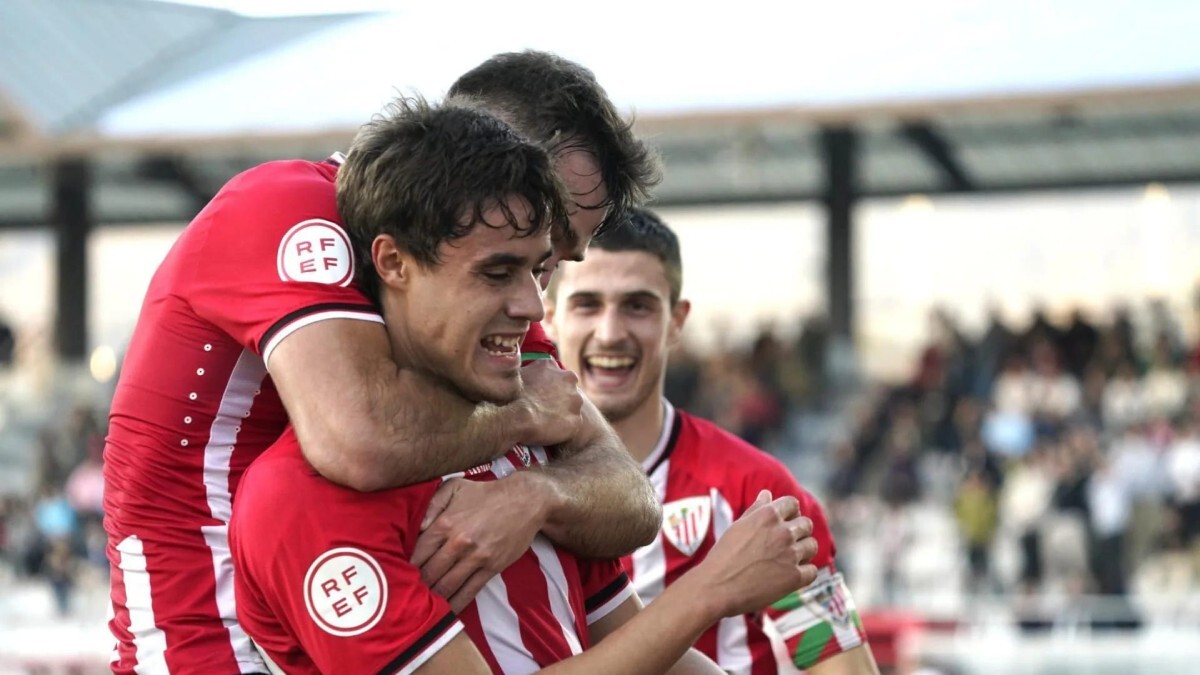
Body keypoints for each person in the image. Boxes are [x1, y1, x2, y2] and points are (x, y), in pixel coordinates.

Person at [103, 49, 661, 673]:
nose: (535, 294)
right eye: (532, 245)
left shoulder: (472, 283)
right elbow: (360, 440)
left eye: (550, 260)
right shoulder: (286, 207)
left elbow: (629, 496)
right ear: (480, 149)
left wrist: (538, 492)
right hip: (204, 638)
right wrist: (530, 416)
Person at [230, 96, 819, 674]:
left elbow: (642, 649)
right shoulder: (303, 498)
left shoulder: (535, 448)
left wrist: (541, 495)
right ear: (393, 263)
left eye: (540, 270)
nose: (532, 305)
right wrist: (708, 593)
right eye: (497, 272)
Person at [545, 208, 879, 674]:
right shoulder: (505, 486)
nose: (611, 332)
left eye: (638, 305)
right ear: (549, 317)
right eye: (587, 304)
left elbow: (839, 665)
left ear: (677, 321)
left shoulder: (756, 490)